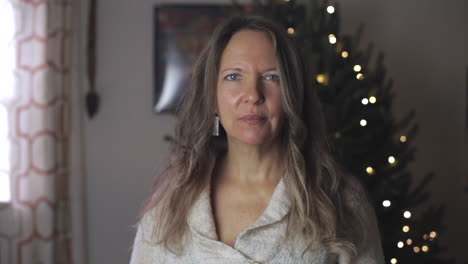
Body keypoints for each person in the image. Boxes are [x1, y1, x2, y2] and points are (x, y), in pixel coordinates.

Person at [130, 15, 385, 264]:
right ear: (213, 97)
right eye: (233, 76)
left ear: (291, 96)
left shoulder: (341, 200)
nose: (252, 94)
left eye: (271, 77)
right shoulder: (171, 200)